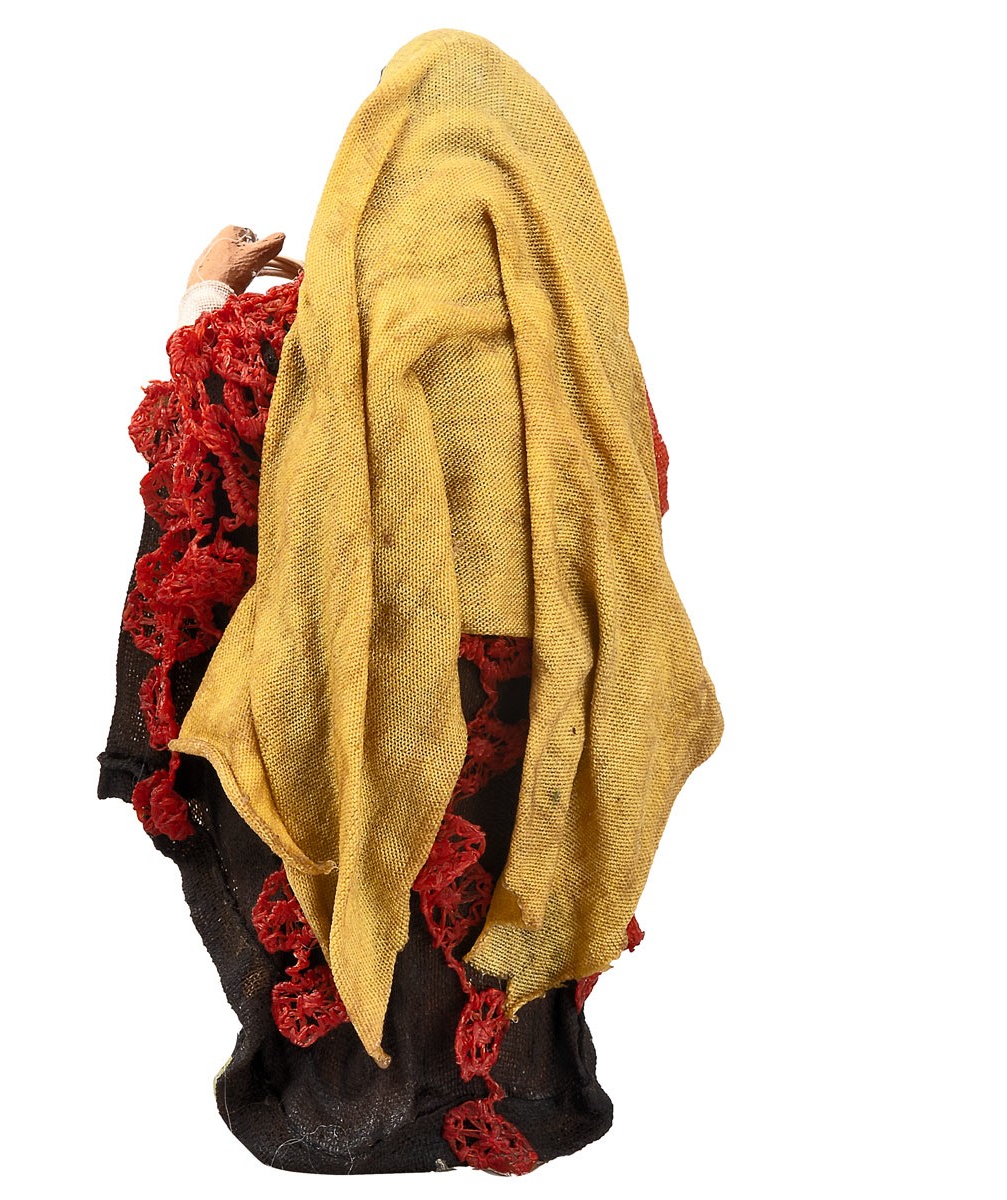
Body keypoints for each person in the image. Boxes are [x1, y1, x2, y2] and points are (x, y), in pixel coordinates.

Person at [99, 28, 720, 1176]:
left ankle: (349, 1098)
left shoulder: (307, 350)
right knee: (493, 865)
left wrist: (205, 292)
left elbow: (200, 455)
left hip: (359, 707)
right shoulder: (593, 384)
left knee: (310, 791)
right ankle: (505, 1086)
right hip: (543, 728)